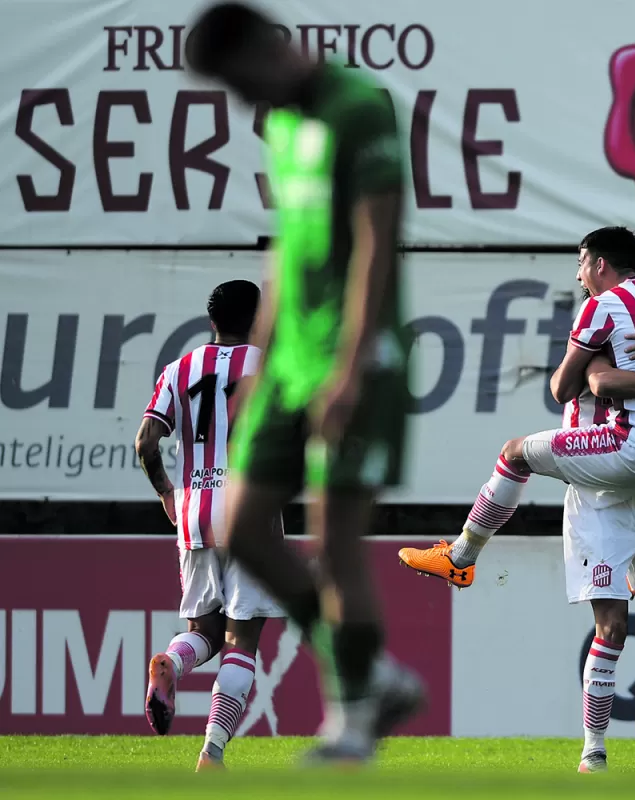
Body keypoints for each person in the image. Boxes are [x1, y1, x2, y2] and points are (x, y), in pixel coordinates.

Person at [184, 1, 422, 763]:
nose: (246, 101)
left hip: (357, 357)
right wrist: (258, 361)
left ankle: (352, 722)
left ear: (269, 46)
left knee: (336, 541)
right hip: (285, 365)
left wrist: (350, 366)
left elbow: (378, 243)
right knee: (239, 527)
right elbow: (287, 251)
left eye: (242, 79)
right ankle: (372, 672)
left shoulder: (361, 106)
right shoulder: (281, 126)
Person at [399, 226, 635, 772]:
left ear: (599, 264)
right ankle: (604, 748)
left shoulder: (602, 313)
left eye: (581, 263)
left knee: (515, 452)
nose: (577, 275)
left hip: (628, 465)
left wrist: (603, 375)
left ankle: (461, 556)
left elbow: (572, 388)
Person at [136, 280, 286, 771]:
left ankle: (172, 663)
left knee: (203, 629)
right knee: (242, 640)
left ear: (212, 322)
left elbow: (145, 442)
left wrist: (167, 494)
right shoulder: (271, 367)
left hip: (195, 511)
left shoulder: (179, 369)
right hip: (252, 513)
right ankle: (212, 752)